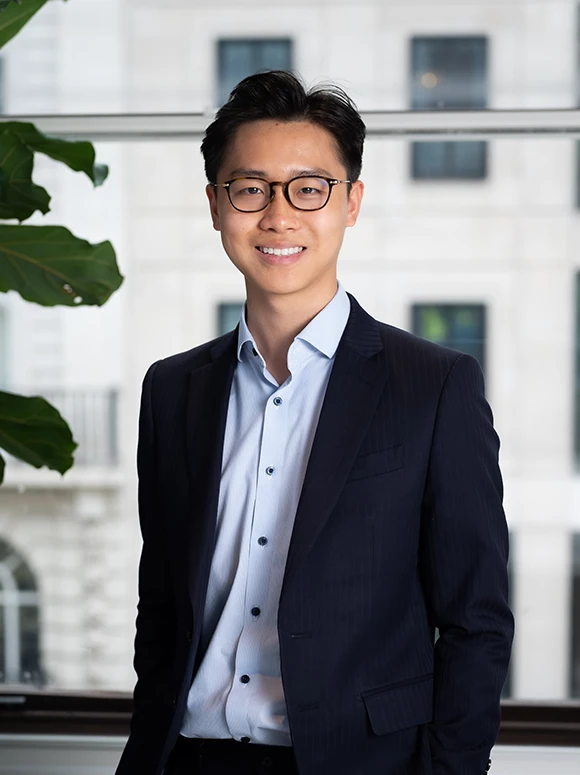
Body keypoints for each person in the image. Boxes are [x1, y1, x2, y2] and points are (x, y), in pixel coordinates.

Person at [115, 70, 514, 775]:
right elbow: (163, 602)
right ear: (215, 205)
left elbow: (475, 621)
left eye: (309, 187)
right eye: (249, 188)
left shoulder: (434, 385)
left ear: (351, 202)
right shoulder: (171, 389)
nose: (278, 214)